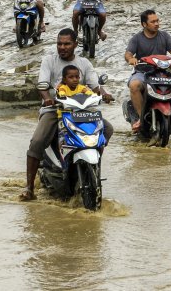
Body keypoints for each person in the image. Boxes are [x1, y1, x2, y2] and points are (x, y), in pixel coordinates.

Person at [19, 28, 114, 201]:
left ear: (75, 44)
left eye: (66, 44)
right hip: (55, 110)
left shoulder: (84, 63)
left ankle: (92, 166)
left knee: (107, 128)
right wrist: (47, 98)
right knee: (38, 142)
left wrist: (105, 94)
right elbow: (42, 84)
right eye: (59, 44)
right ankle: (29, 187)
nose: (62, 47)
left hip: (82, 111)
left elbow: (95, 86)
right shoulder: (49, 60)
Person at [124, 9, 171, 137]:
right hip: (143, 73)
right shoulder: (137, 38)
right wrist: (131, 59)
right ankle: (141, 118)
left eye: (157, 21)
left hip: (162, 73)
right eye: (153, 22)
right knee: (134, 85)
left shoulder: (165, 36)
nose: (157, 24)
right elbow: (128, 53)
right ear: (144, 24)